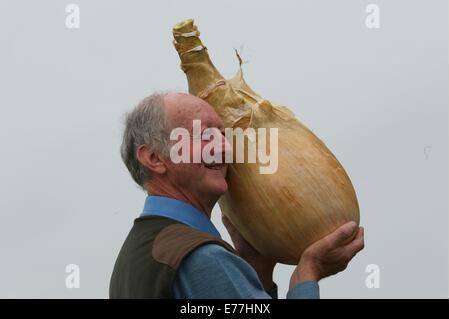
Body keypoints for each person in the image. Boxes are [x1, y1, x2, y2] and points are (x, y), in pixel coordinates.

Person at [109, 92, 365, 299]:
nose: (225, 147)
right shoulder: (201, 258)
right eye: (205, 135)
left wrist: (258, 271)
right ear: (154, 158)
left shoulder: (134, 257)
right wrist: (307, 276)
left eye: (224, 135)